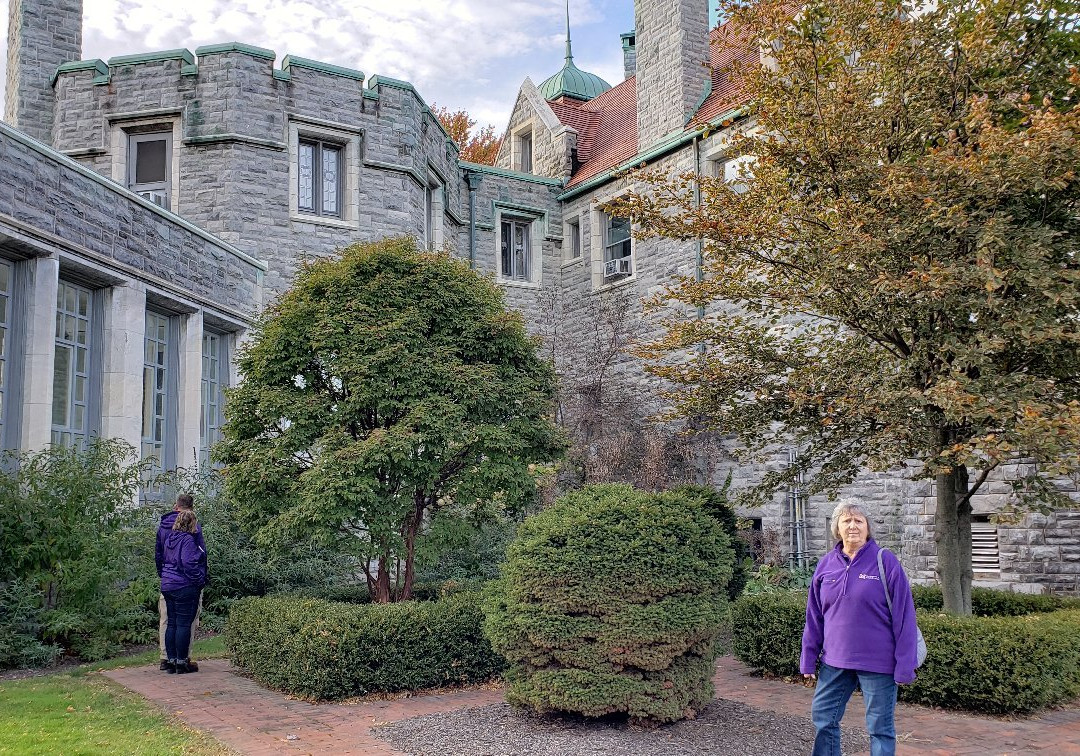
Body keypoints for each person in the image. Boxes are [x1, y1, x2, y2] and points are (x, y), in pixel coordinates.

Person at [800, 501, 919, 756]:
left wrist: (905, 664)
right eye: (846, 521)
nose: (852, 526)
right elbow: (814, 616)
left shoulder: (885, 562)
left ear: (868, 528)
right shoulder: (825, 565)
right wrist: (808, 658)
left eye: (859, 521)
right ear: (837, 529)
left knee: (879, 728)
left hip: (879, 663)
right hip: (835, 661)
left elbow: (905, 616)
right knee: (823, 718)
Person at [156, 493, 207, 672]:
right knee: (185, 623)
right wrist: (200, 580)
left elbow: (159, 555)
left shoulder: (166, 532)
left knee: (169, 621)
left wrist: (164, 575)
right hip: (185, 583)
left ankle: (167, 659)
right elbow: (192, 560)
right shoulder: (190, 535)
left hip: (168, 581)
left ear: (175, 506)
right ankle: (181, 660)